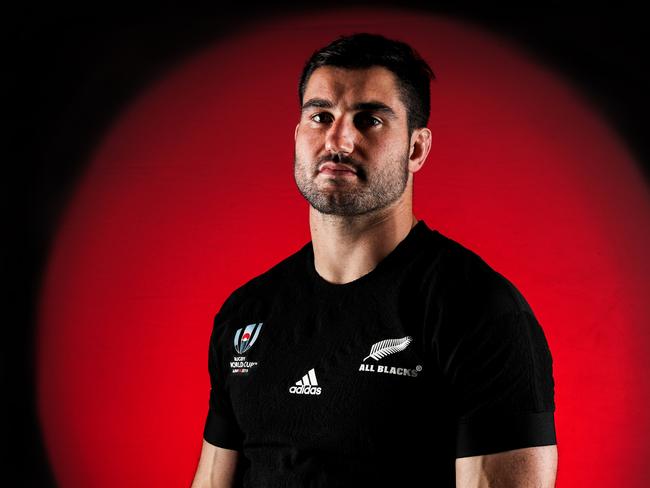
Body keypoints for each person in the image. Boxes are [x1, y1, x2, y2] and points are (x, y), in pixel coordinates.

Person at [191, 33, 558, 487]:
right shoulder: (246, 313)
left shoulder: (477, 309)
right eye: (320, 116)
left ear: (416, 149)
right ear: (297, 135)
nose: (338, 140)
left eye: (369, 120)